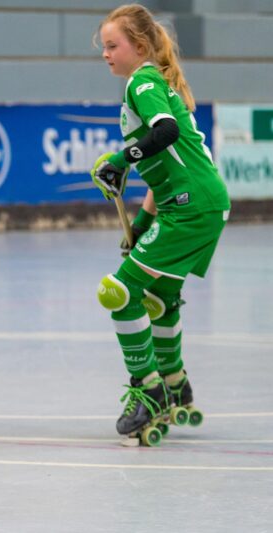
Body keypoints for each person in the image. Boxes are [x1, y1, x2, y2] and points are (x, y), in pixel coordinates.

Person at [91, 4, 230, 445]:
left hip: (190, 206)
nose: (106, 54)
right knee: (160, 296)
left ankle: (148, 390)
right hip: (199, 203)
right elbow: (161, 172)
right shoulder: (156, 82)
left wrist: (118, 159)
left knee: (119, 292)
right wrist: (141, 224)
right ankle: (174, 382)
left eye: (112, 45)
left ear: (139, 46)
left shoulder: (143, 82)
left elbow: (165, 132)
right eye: (104, 47)